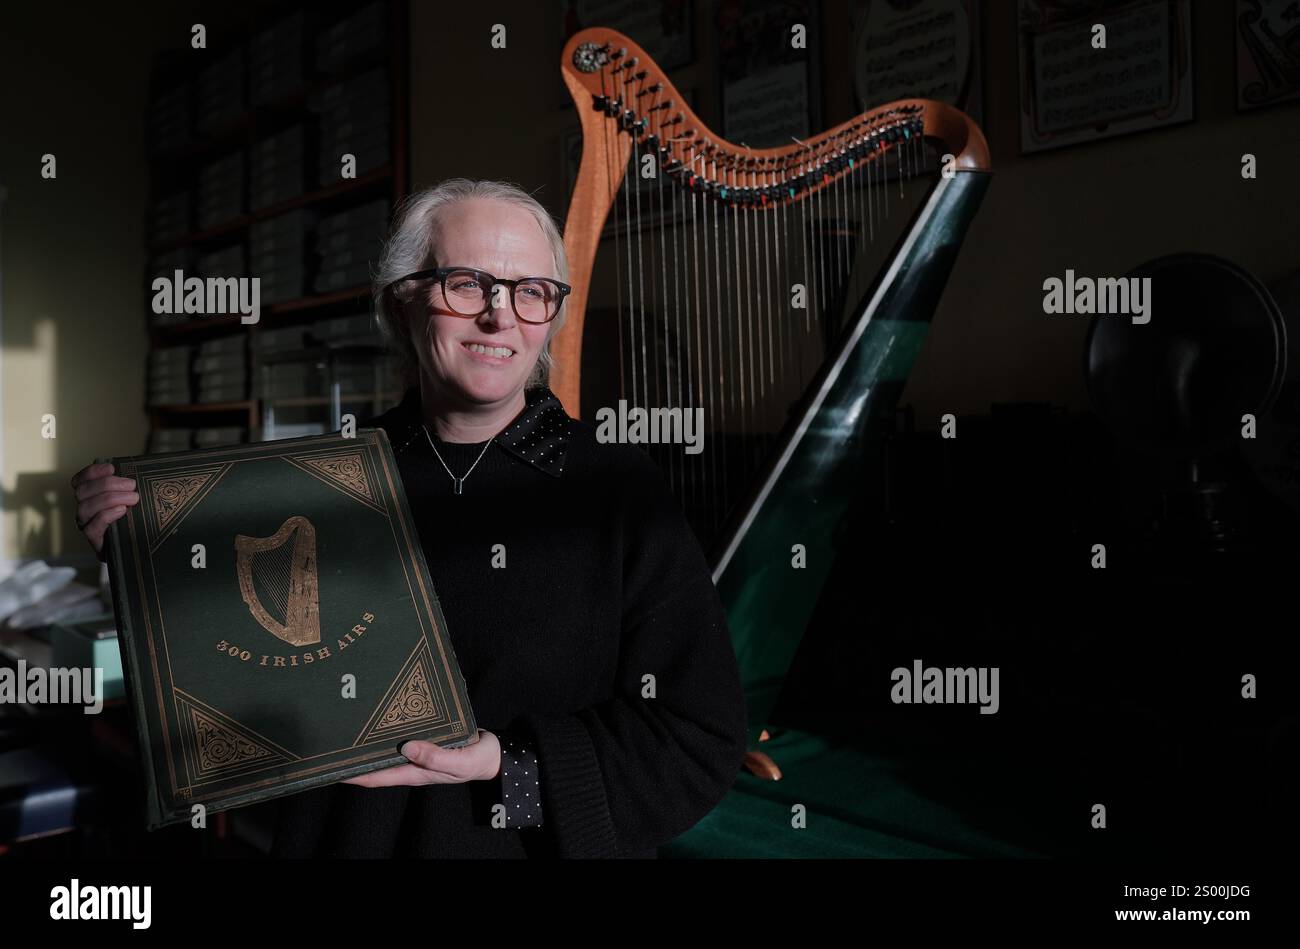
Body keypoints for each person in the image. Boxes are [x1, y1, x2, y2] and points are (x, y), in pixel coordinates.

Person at [71, 178, 748, 858]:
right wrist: (144, 560)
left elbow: (697, 740)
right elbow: (242, 689)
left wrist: (503, 765)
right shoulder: (318, 481)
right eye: (466, 283)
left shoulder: (619, 491)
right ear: (403, 303)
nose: (499, 315)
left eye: (531, 290)